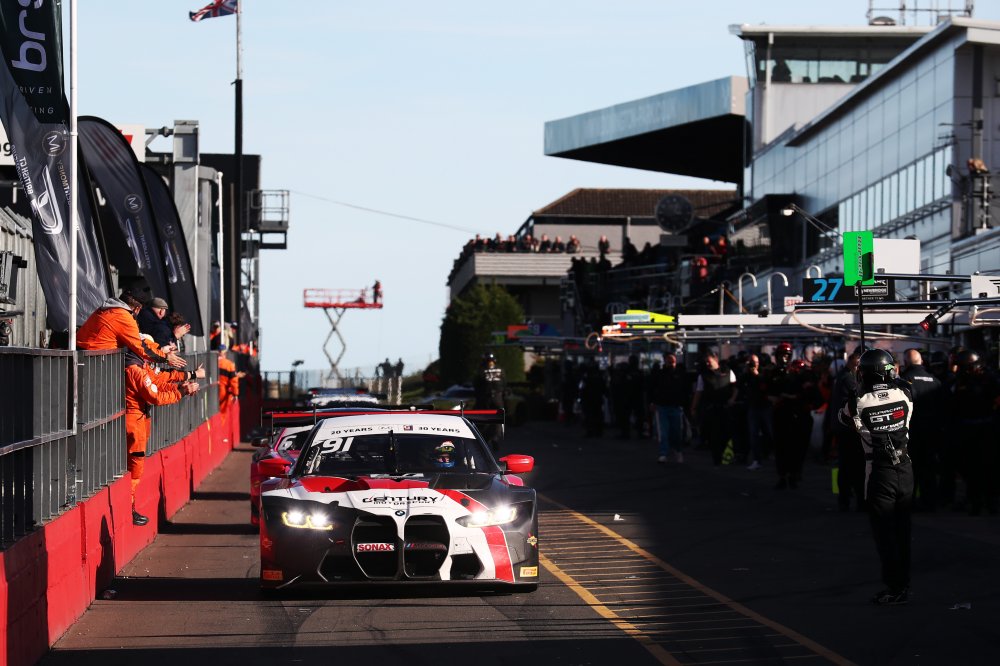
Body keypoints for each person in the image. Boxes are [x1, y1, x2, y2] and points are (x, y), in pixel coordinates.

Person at [839, 348, 915, 605]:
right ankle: (903, 582)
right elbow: (898, 384)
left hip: (880, 472)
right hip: (906, 468)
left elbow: (843, 419)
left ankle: (895, 587)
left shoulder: (857, 402)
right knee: (903, 530)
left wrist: (858, 389)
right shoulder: (905, 394)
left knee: (885, 534)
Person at [125, 349, 202, 525]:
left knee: (134, 466)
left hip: (137, 418)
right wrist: (181, 392)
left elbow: (156, 383)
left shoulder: (140, 366)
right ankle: (129, 508)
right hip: (134, 421)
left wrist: (180, 387)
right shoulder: (136, 369)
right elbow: (155, 396)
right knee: (135, 468)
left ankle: (130, 506)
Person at [77, 287, 185, 369]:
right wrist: (166, 357)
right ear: (137, 309)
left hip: (84, 357)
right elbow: (140, 346)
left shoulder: (109, 309)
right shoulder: (123, 316)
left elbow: (138, 339)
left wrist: (160, 349)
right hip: (93, 363)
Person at [899, 349, 943, 511]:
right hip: (932, 432)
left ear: (906, 362)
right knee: (929, 467)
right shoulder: (935, 381)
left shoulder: (904, 381)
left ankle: (910, 501)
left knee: (910, 468)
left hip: (912, 432)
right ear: (922, 361)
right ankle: (930, 501)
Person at [690, 350, 735, 466]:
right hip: (712, 409)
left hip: (726, 408)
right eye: (705, 362)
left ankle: (727, 456)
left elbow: (735, 387)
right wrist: (693, 408)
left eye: (708, 361)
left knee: (727, 433)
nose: (707, 364)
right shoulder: (703, 375)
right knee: (714, 435)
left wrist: (733, 398)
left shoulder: (728, 371)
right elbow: (698, 392)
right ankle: (717, 459)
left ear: (715, 359)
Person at [649, 352, 690, 463]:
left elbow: (684, 390)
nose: (671, 363)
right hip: (664, 406)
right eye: (669, 360)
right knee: (664, 432)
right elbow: (653, 388)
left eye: (672, 361)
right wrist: (653, 402)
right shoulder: (662, 374)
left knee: (676, 432)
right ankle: (665, 452)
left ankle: (675, 450)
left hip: (674, 406)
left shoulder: (678, 374)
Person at [474, 352, 506, 450]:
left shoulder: (481, 370)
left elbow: (476, 385)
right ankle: (495, 438)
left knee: (484, 419)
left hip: (485, 398)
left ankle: (484, 441)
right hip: (498, 398)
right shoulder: (500, 370)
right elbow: (504, 383)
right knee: (498, 420)